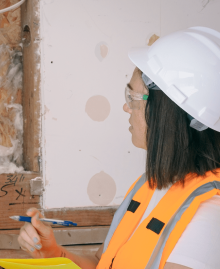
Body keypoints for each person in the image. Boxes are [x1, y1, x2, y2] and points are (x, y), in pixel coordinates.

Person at [18, 26, 220, 269]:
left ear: (167, 112)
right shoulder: (148, 186)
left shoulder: (208, 216)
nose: (126, 108)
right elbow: (100, 263)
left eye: (132, 98)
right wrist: (55, 254)